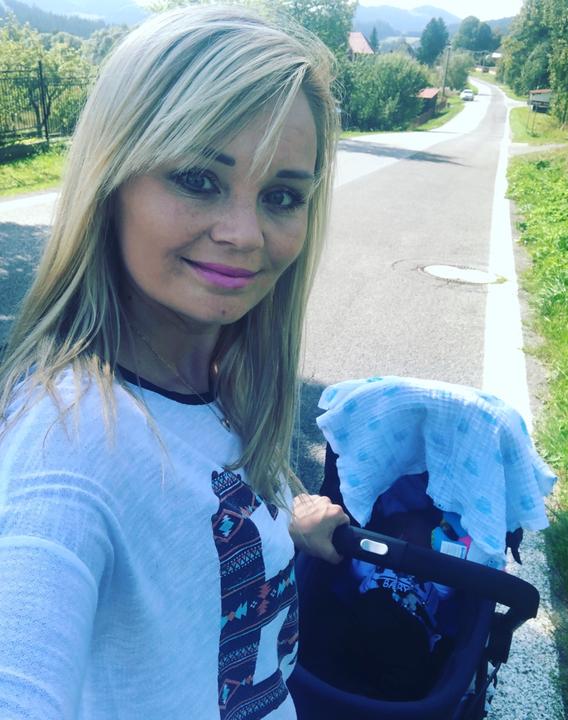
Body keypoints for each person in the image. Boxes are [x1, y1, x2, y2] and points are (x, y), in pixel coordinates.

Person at [0, 5, 349, 719]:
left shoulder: (215, 384)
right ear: (112, 179)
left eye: (282, 196)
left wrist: (287, 523)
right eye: (197, 178)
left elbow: (188, 526)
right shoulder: (67, 442)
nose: (245, 234)